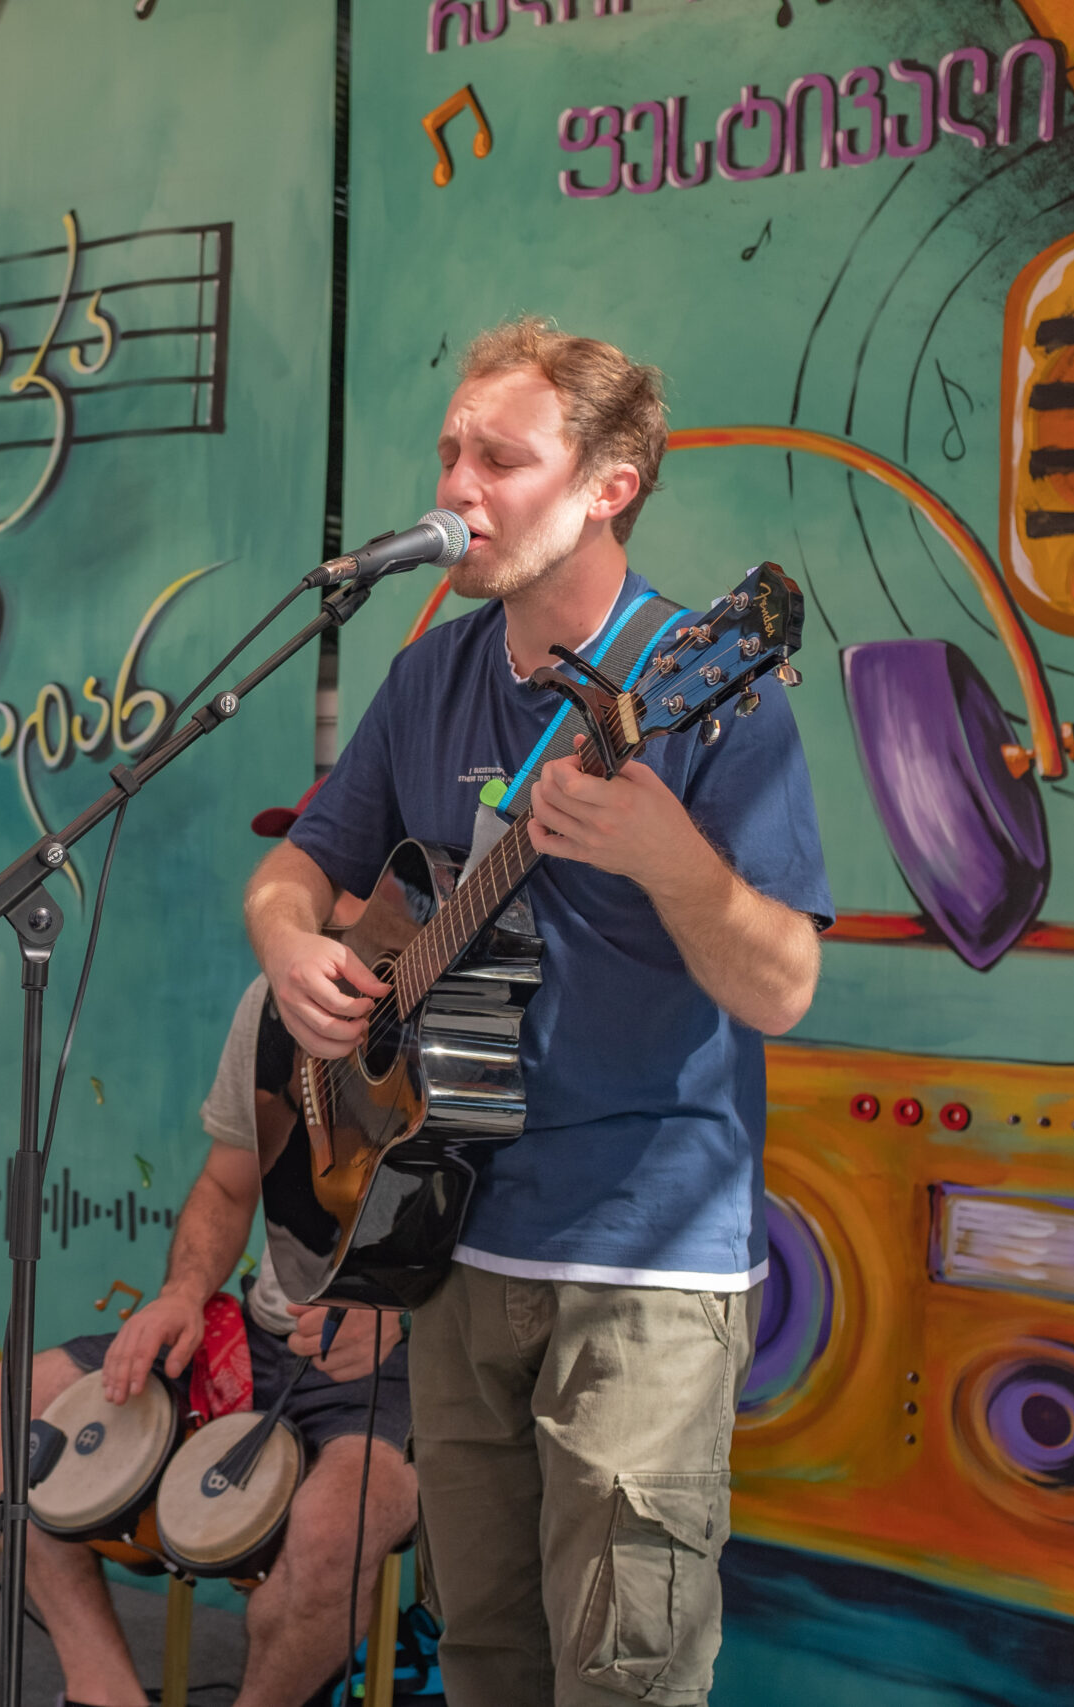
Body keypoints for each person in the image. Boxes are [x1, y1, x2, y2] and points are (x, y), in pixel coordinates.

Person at [245, 318, 830, 1706]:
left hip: (643, 1262)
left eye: (499, 459)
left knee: (624, 1675)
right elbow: (298, 868)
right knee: (486, 1657)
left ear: (609, 485)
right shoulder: (429, 676)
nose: (458, 485)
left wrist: (669, 856)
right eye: (451, 450)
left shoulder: (702, 682)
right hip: (446, 1235)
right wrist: (287, 945)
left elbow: (784, 985)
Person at [0, 795, 417, 1707]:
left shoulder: (464, 1018)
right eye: (303, 866)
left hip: (398, 1367)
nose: (314, 892)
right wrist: (181, 1292)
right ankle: (104, 1690)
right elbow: (227, 1187)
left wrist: (404, 1316)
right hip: (260, 1336)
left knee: (334, 1528)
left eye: (332, 866)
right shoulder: (270, 1007)